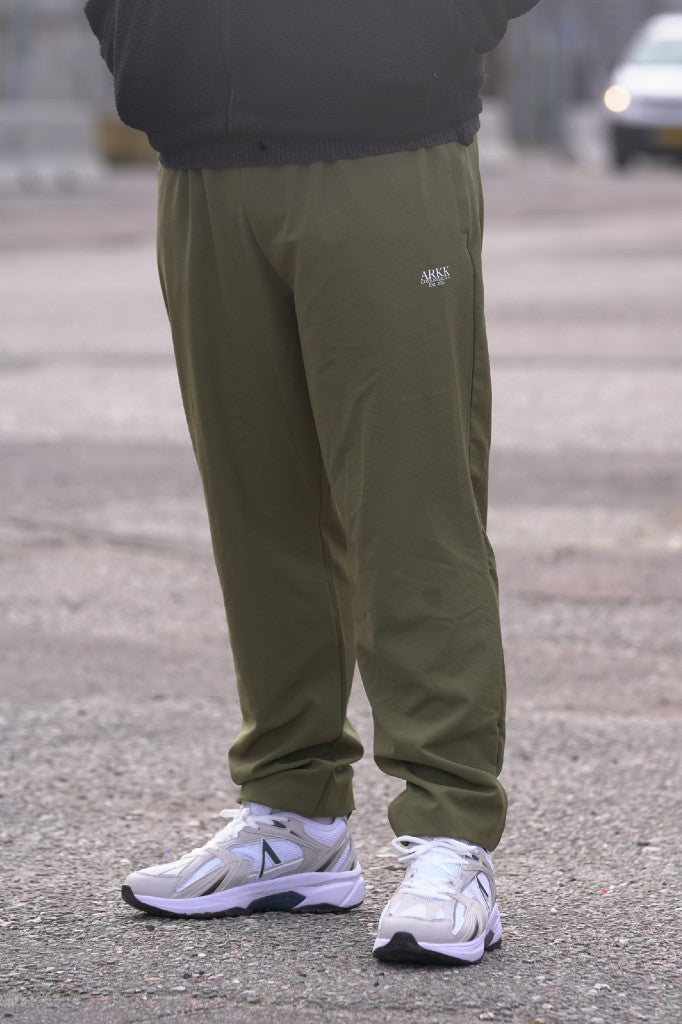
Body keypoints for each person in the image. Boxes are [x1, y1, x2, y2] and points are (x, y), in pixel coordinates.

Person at [85, 0, 540, 965]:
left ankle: (450, 830)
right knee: (258, 510)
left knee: (410, 503)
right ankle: (292, 815)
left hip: (385, 144)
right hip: (199, 153)